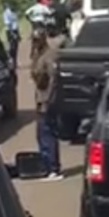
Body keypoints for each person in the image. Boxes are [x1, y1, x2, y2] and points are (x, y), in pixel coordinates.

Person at [30, 26, 63, 180]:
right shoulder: (39, 55)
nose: (34, 44)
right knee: (42, 134)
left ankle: (53, 168)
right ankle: (47, 166)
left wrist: (48, 101)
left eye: (36, 40)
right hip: (41, 99)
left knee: (47, 134)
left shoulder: (49, 56)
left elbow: (53, 80)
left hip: (47, 100)